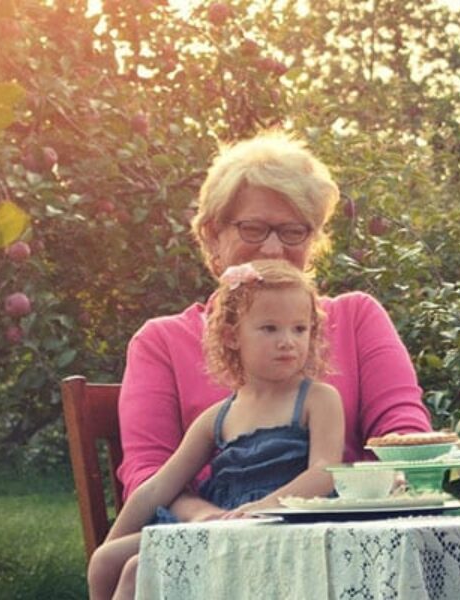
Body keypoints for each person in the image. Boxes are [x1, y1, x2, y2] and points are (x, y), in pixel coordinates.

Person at [117, 132, 430, 523]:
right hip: (211, 542)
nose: (272, 248)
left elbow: (404, 434)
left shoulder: (357, 317)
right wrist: (212, 521)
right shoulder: (161, 341)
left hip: (345, 528)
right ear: (212, 236)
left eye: (293, 231)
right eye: (253, 228)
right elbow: (148, 472)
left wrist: (381, 487)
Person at [89, 260, 344, 600]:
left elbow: (325, 470)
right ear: (231, 336)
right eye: (270, 329)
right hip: (222, 525)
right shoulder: (219, 417)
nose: (287, 341)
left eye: (299, 329)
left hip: (284, 523)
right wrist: (112, 542)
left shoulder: (317, 398)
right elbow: (157, 488)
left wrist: (263, 508)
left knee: (138, 570)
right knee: (106, 561)